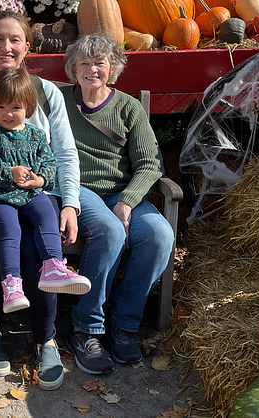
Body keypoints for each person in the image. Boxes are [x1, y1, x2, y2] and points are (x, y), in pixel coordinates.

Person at [0, 10, 81, 391]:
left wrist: (69, 203)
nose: (6, 47)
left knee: (41, 251)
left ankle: (46, 338)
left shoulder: (47, 94)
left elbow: (64, 155)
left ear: (26, 46)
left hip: (39, 194)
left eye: (14, 40)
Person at [60, 34, 174, 375]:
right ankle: (86, 329)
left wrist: (126, 202)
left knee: (159, 235)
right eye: (84, 62)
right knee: (109, 231)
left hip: (122, 192)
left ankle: (123, 324)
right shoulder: (58, 100)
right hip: (78, 188)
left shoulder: (128, 107)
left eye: (100, 62)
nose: (92, 69)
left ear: (113, 68)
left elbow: (150, 163)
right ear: (73, 69)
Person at [0, 67, 90, 314]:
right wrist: (9, 172)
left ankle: (53, 267)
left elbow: (49, 163)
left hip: (30, 194)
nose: (7, 113)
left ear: (28, 108)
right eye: (1, 107)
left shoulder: (36, 136)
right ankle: (11, 286)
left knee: (47, 216)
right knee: (10, 230)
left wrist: (40, 181)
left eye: (15, 107)